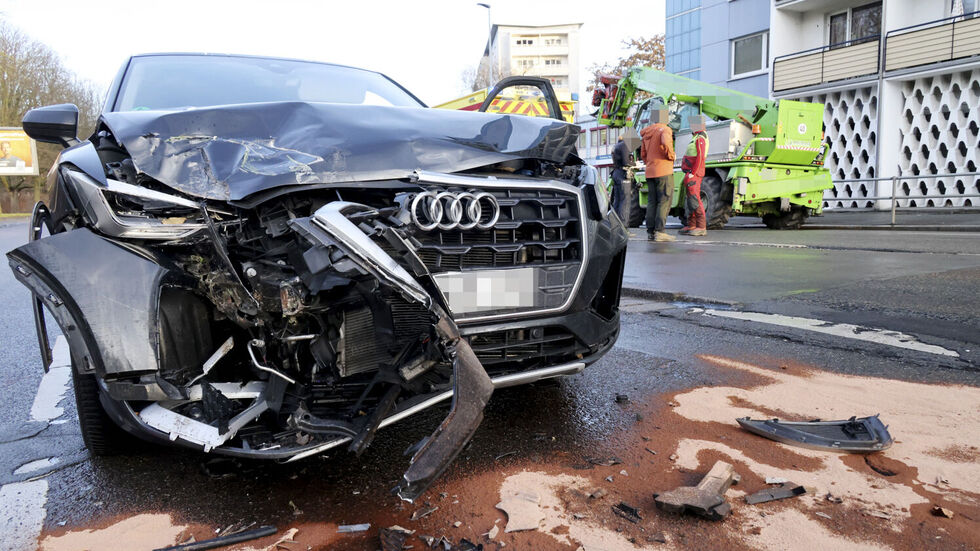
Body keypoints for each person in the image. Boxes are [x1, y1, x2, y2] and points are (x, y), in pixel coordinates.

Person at [640, 109, 675, 242]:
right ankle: (660, 232)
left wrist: (649, 162)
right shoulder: (665, 129)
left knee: (652, 201)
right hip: (663, 170)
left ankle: (650, 232)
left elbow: (643, 153)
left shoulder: (646, 132)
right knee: (664, 200)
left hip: (650, 171)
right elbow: (666, 143)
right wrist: (671, 156)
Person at [680, 116, 709, 237]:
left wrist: (694, 173)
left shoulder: (701, 137)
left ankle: (701, 227)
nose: (692, 126)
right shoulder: (696, 137)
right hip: (691, 172)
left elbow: (700, 157)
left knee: (695, 199)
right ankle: (692, 225)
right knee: (690, 200)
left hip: (694, 173)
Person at [610, 135, 629, 215]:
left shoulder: (615, 147)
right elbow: (625, 162)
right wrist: (634, 163)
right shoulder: (623, 146)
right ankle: (623, 221)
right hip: (621, 173)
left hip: (615, 172)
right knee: (624, 199)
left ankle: (615, 220)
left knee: (617, 199)